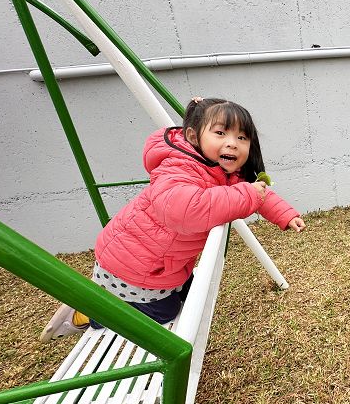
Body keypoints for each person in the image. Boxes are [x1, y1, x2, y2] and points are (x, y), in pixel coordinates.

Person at [40, 97, 305, 342]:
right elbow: (188, 212)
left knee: (188, 294)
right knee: (165, 312)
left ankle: (104, 299)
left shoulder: (221, 171)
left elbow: (257, 194)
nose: (233, 142)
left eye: (242, 137)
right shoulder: (178, 167)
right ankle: (92, 312)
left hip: (161, 263)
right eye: (221, 133)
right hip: (133, 267)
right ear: (193, 136)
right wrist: (247, 193)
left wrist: (285, 215)